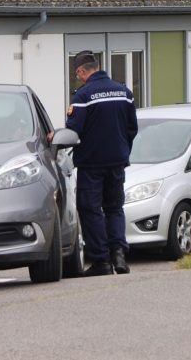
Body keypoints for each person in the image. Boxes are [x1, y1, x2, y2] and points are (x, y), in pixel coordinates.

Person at [65, 50, 138, 276]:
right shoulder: (124, 92)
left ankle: (101, 261)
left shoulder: (83, 96)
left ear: (81, 71)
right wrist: (121, 150)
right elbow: (131, 128)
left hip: (92, 164)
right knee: (115, 208)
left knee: (90, 209)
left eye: (78, 75)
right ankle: (119, 256)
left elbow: (73, 131)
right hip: (117, 162)